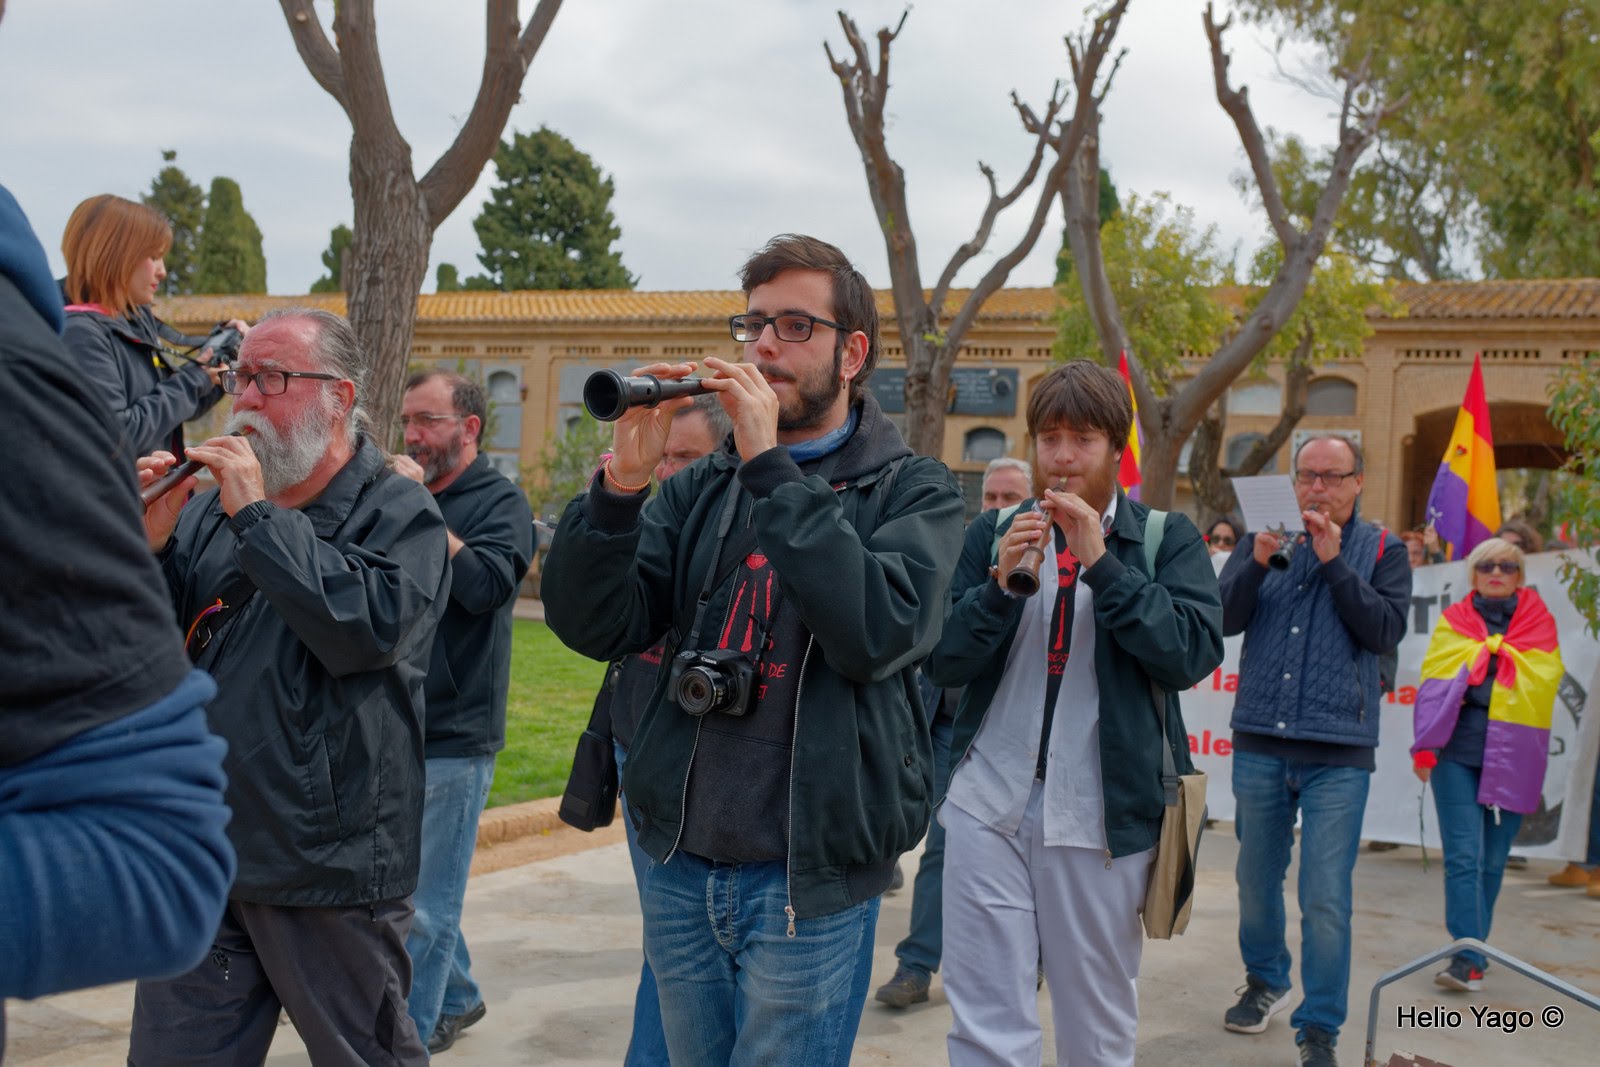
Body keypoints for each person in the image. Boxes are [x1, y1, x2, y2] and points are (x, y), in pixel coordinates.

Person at [542, 233, 966, 1066]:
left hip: (809, 878)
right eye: (755, 324)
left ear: (852, 353)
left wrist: (770, 463)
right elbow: (598, 626)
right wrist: (622, 492)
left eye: (794, 326)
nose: (764, 344)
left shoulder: (915, 489)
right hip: (676, 861)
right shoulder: (703, 483)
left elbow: (877, 629)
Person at [128, 309, 450, 1067]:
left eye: (270, 379)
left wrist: (261, 519)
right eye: (239, 377)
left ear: (337, 398)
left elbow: (360, 630)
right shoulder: (210, 509)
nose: (243, 400)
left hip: (328, 866)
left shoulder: (400, 513)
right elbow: (145, 648)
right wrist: (151, 545)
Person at [923, 359, 1222, 1066]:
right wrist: (998, 589)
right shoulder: (994, 530)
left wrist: (1104, 565)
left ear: (1115, 448)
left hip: (1100, 816)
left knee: (1095, 1019)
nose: (1061, 457)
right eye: (1049, 437)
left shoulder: (1161, 539)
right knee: (984, 1013)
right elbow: (942, 661)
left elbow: (1188, 653)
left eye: (1082, 438)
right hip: (987, 800)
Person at [0, 178, 234, 1059]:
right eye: (152, 250)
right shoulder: (75, 337)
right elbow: (114, 430)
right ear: (114, 253)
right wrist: (199, 381)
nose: (163, 266)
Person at [1218, 434, 1411, 1067]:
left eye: (1332, 476)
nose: (1318, 488)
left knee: (1326, 894)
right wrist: (1254, 560)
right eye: (1308, 475)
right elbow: (1221, 619)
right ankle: (1266, 978)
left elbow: (1383, 630)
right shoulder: (1261, 536)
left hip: (1339, 750)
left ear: (1359, 481)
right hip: (1261, 740)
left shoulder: (1384, 548)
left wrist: (1333, 562)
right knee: (1253, 879)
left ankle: (1320, 1025)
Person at [564, 393, 732, 1067]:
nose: (671, 473)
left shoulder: (732, 526)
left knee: (688, 948)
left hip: (720, 759)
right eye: (664, 459)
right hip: (642, 742)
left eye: (687, 458)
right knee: (667, 943)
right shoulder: (641, 517)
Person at [390, 370, 534, 1055]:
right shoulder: (400, 494)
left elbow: (483, 587)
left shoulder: (500, 501)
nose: (413, 435)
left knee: (423, 905)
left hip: (456, 729)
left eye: (427, 420)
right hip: (391, 718)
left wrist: (421, 511)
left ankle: (404, 1039)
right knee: (413, 886)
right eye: (408, 421)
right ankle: (461, 994)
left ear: (469, 428)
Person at [875, 457, 1034, 1011]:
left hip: (1004, 731)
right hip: (942, 724)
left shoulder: (1047, 554)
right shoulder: (963, 545)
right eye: (991, 497)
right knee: (939, 849)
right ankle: (916, 965)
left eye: (1010, 497)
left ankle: (1026, 960)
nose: (997, 508)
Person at [1411, 537, 1562, 992]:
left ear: (1520, 575)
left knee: (1493, 863)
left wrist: (1496, 655)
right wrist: (1424, 746)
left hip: (1514, 755)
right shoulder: (1455, 621)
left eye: (1507, 566)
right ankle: (1468, 958)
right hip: (1456, 752)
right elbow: (1434, 683)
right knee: (1464, 858)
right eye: (1486, 566)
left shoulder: (1540, 623)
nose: (1496, 573)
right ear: (1473, 574)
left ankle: (1474, 953)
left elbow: (1545, 678)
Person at [59, 193, 244, 459]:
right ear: (115, 255)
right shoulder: (81, 335)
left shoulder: (128, 323)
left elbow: (165, 415)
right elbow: (119, 437)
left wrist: (212, 375)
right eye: (154, 257)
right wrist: (192, 380)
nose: (162, 271)